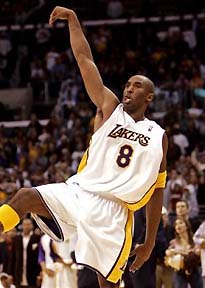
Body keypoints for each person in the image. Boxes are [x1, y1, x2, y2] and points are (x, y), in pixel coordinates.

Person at [0, 6, 168, 288]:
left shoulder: (157, 135)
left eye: (136, 86)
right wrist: (74, 21)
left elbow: (157, 189)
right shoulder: (109, 108)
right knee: (25, 196)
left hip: (113, 210)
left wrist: (149, 241)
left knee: (108, 284)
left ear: (149, 96)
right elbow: (84, 59)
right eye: (127, 84)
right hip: (79, 191)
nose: (128, 88)